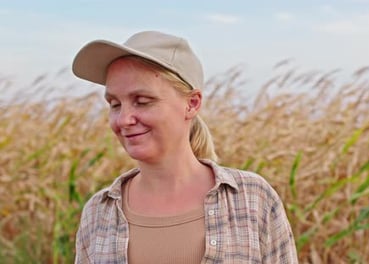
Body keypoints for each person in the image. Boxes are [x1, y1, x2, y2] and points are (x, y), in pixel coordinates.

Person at [72, 31, 298, 263]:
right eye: (115, 104)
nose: (123, 119)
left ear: (192, 104)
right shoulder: (98, 213)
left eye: (142, 101)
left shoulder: (253, 199)